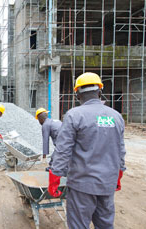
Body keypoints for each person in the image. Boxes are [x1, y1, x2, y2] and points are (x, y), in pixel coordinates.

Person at [48, 72, 126, 229]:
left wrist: (54, 177)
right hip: (107, 184)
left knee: (78, 225)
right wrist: (118, 175)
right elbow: (120, 150)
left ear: (77, 94)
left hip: (82, 185)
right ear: (99, 91)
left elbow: (63, 150)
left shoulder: (74, 115)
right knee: (105, 224)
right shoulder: (116, 117)